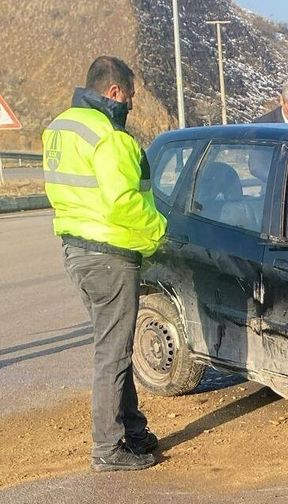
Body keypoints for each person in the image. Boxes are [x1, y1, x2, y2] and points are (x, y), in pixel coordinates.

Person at [42, 56, 167, 471]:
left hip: (76, 251)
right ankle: (108, 450)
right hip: (110, 254)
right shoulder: (109, 137)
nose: (130, 105)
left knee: (115, 349)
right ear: (114, 92)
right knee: (112, 355)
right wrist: (160, 231)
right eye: (129, 97)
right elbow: (124, 203)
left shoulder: (60, 128)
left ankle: (132, 431)